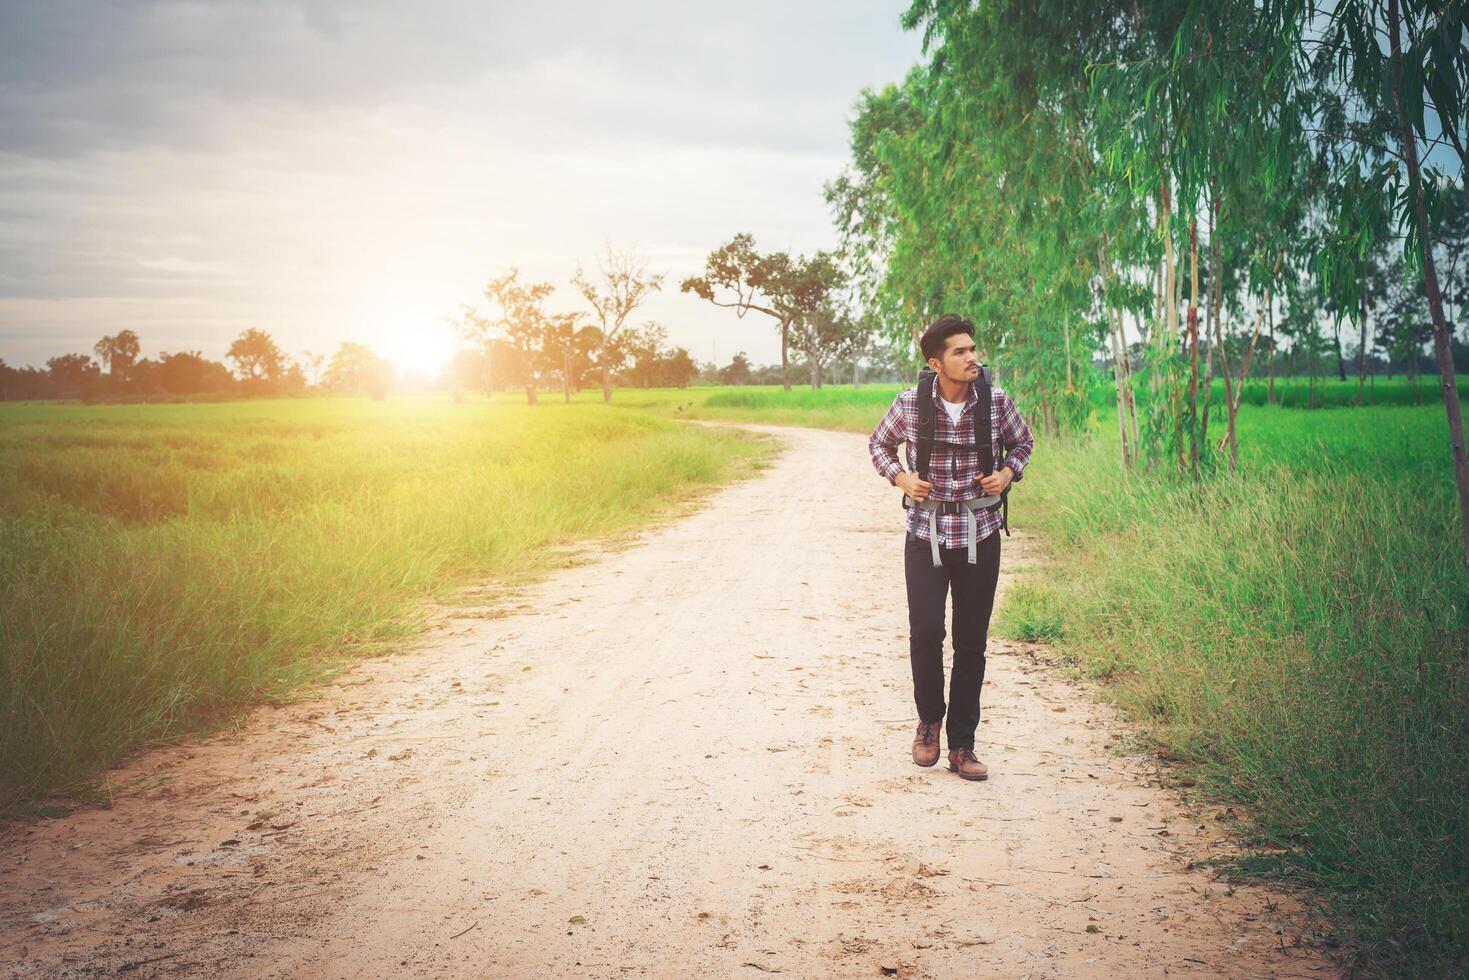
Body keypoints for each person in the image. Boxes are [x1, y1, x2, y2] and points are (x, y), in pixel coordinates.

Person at [868, 314, 1035, 781]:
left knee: (971, 642)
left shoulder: (996, 403)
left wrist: (1007, 474)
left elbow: (1023, 443)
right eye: (960, 351)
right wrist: (901, 477)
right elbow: (879, 444)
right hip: (925, 533)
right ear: (935, 362)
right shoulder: (910, 404)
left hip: (980, 533)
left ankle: (963, 745)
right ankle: (929, 725)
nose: (972, 357)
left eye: (973, 348)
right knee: (925, 635)